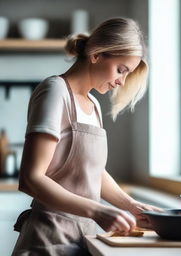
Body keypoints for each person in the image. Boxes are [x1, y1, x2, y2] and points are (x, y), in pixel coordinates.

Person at [12, 17, 161, 255]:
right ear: (97, 54)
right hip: (48, 238)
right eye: (121, 70)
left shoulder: (93, 104)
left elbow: (93, 172)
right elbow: (31, 178)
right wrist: (98, 210)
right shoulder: (55, 91)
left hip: (84, 236)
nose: (121, 81)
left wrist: (132, 206)